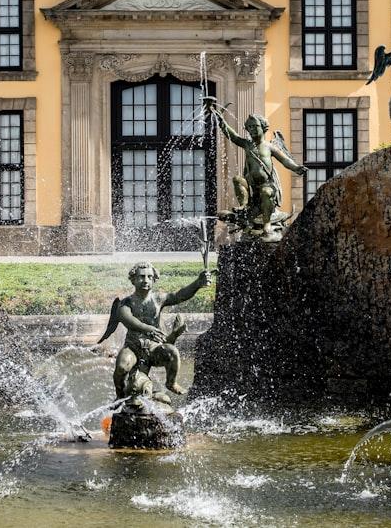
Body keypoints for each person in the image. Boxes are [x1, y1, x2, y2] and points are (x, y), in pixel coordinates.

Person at [98, 262, 211, 400]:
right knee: (121, 367)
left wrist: (198, 283)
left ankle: (171, 383)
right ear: (133, 279)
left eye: (149, 277)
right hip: (133, 346)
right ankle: (119, 395)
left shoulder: (158, 299)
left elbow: (179, 295)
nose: (145, 280)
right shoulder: (126, 302)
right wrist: (148, 329)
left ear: (154, 279)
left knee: (172, 352)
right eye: (141, 277)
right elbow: (127, 319)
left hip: (153, 349)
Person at [205, 99, 307, 241]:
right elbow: (232, 135)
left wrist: (296, 168)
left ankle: (266, 225)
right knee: (237, 179)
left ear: (264, 127)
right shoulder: (247, 144)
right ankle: (244, 206)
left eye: (255, 126)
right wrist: (220, 120)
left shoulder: (270, 147)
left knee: (266, 192)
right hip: (252, 186)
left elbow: (285, 160)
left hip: (267, 185)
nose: (252, 129)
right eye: (250, 127)